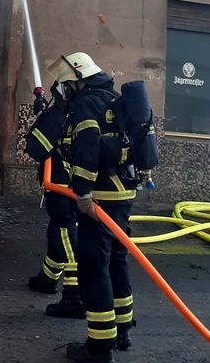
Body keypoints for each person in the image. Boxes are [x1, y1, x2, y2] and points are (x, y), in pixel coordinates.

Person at [46, 51, 136, 363]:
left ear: (78, 80)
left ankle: (99, 348)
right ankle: (122, 332)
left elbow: (86, 151)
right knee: (117, 262)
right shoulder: (111, 97)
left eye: (67, 85)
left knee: (94, 269)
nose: (66, 91)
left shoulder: (87, 104)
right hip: (124, 195)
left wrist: (82, 193)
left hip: (100, 200)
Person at [24, 83, 85, 319]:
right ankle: (47, 279)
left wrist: (45, 117)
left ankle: (74, 295)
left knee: (64, 231)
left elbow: (35, 147)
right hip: (78, 183)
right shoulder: (85, 111)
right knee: (58, 230)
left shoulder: (59, 114)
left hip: (60, 184)